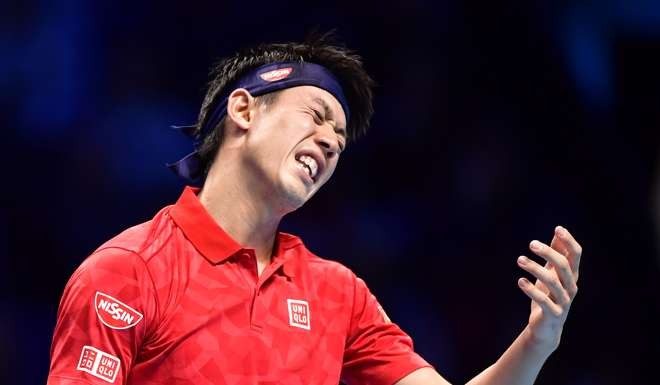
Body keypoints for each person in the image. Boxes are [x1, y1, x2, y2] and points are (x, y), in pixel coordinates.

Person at [47, 33, 582, 385]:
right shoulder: (128, 273)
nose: (330, 141)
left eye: (341, 138)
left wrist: (538, 342)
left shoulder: (336, 294)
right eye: (317, 114)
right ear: (244, 109)